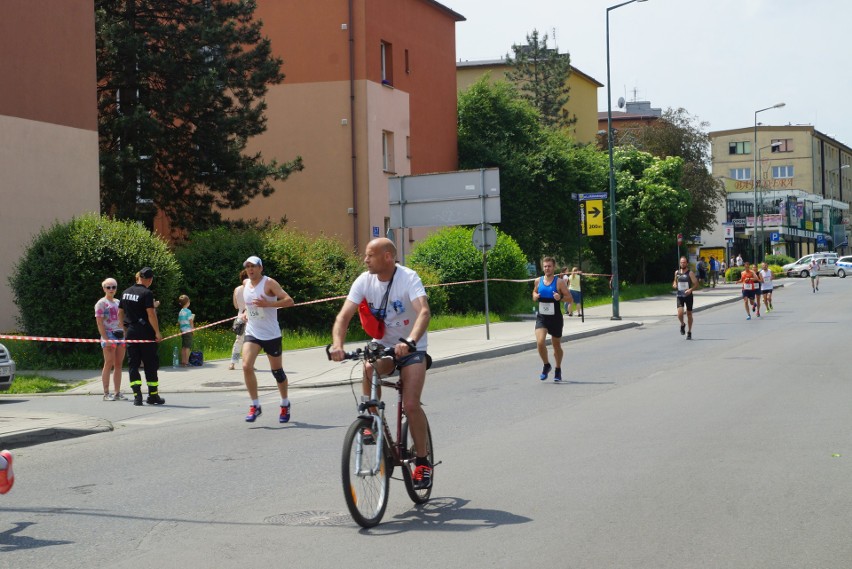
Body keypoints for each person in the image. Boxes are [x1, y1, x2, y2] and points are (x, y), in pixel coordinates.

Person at [329, 238, 433, 489]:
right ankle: (371, 422)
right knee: (368, 367)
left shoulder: (408, 278)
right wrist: (337, 345)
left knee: (410, 403)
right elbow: (343, 316)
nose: (365, 260)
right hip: (384, 348)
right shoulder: (364, 280)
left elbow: (424, 312)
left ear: (388, 256)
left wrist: (410, 341)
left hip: (412, 349)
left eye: (369, 255)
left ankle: (422, 462)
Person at [240, 256, 295, 424]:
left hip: (271, 334)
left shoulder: (270, 283)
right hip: (253, 332)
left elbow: (290, 301)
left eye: (254, 266)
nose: (250, 269)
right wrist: (244, 314)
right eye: (248, 266)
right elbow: (249, 306)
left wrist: (268, 304)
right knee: (246, 366)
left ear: (260, 268)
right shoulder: (245, 284)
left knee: (277, 372)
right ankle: (255, 405)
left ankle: (285, 403)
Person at [119, 267, 165, 406]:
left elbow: (120, 312)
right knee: (150, 364)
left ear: (138, 277)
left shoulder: (126, 292)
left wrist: (123, 328)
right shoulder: (147, 293)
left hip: (131, 331)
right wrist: (157, 332)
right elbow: (151, 314)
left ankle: (137, 396)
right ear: (149, 280)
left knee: (133, 364)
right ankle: (152, 395)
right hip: (145, 333)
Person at [532, 257, 571, 381]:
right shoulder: (538, 281)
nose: (547, 268)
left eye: (549, 266)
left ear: (554, 267)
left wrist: (560, 297)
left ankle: (558, 369)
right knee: (540, 342)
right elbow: (533, 292)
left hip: (555, 318)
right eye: (545, 266)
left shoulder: (559, 282)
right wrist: (535, 296)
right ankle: (546, 365)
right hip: (542, 317)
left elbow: (569, 298)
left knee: (556, 346)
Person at [95, 277, 127, 401]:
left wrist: (124, 332)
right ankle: (106, 393)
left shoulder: (118, 302)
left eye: (113, 287)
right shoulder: (101, 303)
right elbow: (99, 323)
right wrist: (105, 338)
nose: (111, 289)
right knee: (108, 363)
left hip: (120, 335)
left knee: (118, 364)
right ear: (104, 288)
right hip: (109, 334)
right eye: (108, 287)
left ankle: (117, 392)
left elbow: (122, 319)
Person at [673, 256, 699, 340]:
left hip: (688, 296)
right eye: (681, 262)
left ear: (687, 263)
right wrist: (674, 284)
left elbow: (696, 284)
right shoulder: (677, 272)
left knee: (689, 314)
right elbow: (675, 281)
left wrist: (690, 290)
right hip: (680, 295)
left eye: (684, 262)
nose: (682, 264)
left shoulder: (690, 273)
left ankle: (689, 332)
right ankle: (682, 324)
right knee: (680, 314)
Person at [229, 269, 248, 370]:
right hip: (251, 318)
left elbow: (236, 306)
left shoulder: (236, 289)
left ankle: (233, 363)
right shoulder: (252, 289)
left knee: (238, 342)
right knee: (250, 343)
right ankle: (248, 363)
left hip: (240, 317)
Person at [177, 295, 195, 367]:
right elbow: (191, 321)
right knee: (188, 347)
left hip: (182, 330)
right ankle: (187, 362)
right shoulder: (188, 311)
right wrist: (193, 330)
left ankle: (183, 361)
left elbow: (178, 322)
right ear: (187, 302)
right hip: (188, 330)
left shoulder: (180, 311)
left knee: (183, 346)